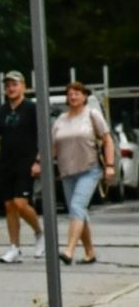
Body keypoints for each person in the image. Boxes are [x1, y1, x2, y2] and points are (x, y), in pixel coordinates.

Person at [0, 70, 45, 264]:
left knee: (21, 203)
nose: (11, 88)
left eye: (15, 84)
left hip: (26, 162)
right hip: (6, 164)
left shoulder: (32, 109)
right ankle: (14, 247)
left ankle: (39, 233)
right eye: (8, 86)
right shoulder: (0, 112)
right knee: (9, 206)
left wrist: (38, 161)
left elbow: (43, 136)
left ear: (23, 86)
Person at [49, 80, 115, 265]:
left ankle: (69, 250)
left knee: (77, 206)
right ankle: (90, 252)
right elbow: (54, 147)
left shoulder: (92, 115)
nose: (73, 96)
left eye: (77, 93)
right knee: (78, 211)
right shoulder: (60, 120)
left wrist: (109, 165)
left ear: (84, 96)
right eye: (70, 93)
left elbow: (107, 140)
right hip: (67, 171)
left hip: (89, 169)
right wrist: (40, 162)